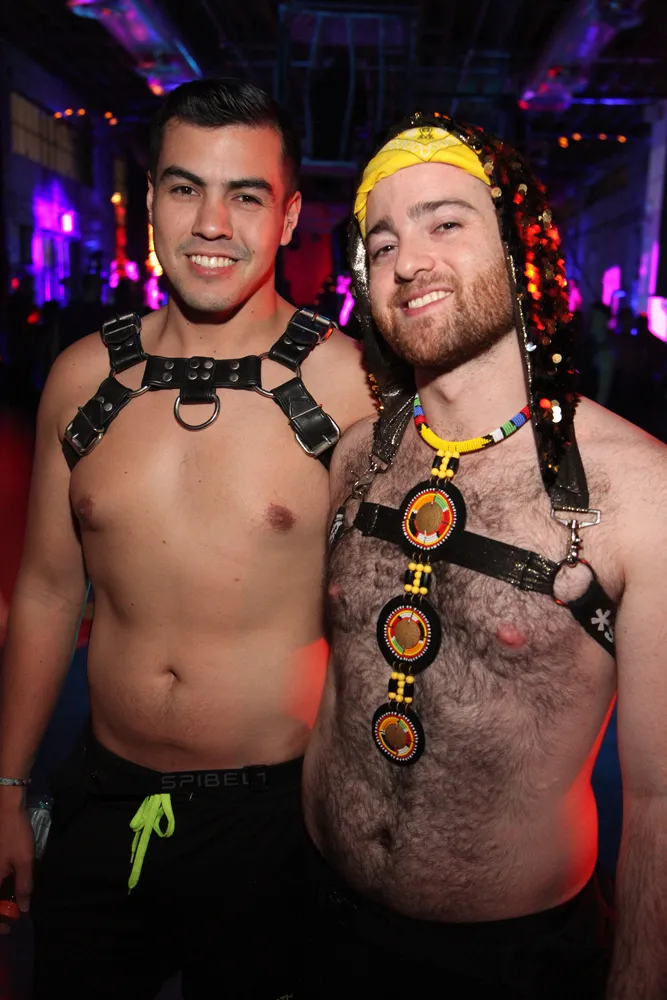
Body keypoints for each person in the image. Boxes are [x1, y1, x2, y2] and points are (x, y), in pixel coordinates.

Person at [0, 78, 373, 999]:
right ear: (151, 201)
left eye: (245, 195)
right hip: (100, 798)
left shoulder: (349, 389)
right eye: (184, 188)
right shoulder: (81, 378)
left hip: (272, 823)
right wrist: (6, 786)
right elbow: (48, 589)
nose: (211, 223)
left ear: (288, 217)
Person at [302, 113, 667, 999]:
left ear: (517, 243)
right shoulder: (353, 459)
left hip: (511, 962)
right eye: (381, 243)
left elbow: (658, 800)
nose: (408, 261)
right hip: (314, 914)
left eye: (444, 222)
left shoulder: (638, 492)